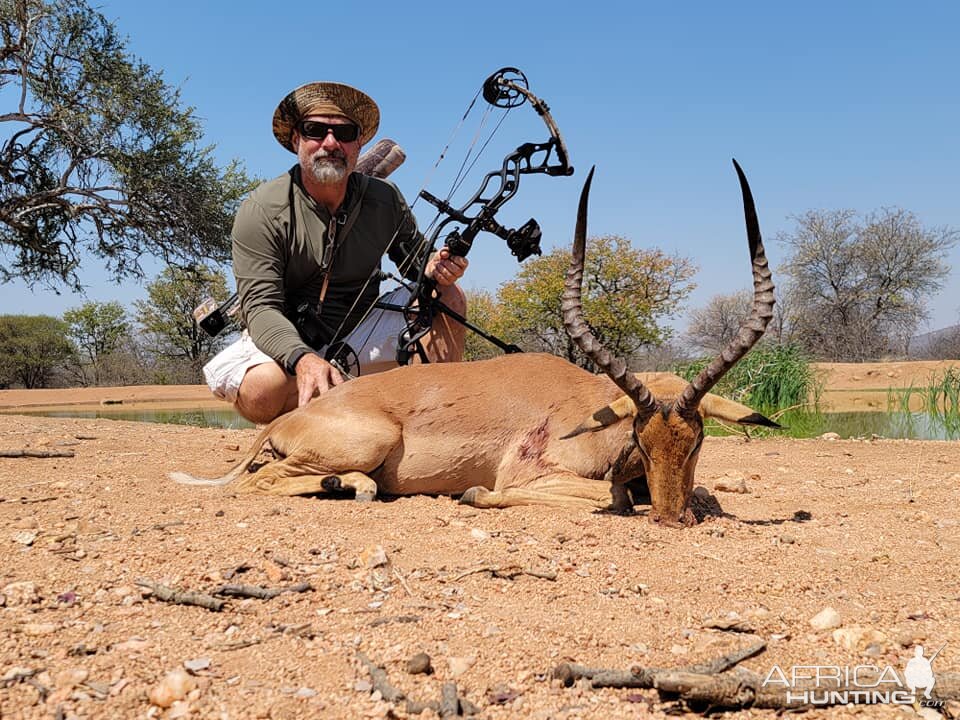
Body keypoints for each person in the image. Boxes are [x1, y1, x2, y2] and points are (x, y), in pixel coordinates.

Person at [203, 81, 468, 423]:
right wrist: (303, 358)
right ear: (296, 139)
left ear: (359, 143)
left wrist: (439, 267)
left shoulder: (385, 199)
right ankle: (315, 422)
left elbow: (417, 265)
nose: (331, 143)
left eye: (344, 132)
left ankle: (431, 428)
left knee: (449, 298)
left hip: (360, 334)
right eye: (316, 130)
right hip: (287, 342)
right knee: (262, 390)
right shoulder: (261, 210)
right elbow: (262, 308)